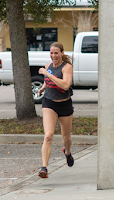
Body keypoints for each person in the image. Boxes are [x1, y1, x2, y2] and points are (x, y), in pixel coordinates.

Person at [37, 42, 74, 178]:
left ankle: (68, 152)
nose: (53, 56)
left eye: (56, 53)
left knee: (66, 138)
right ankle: (44, 168)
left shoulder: (67, 67)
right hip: (49, 103)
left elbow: (65, 85)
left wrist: (48, 74)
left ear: (62, 53)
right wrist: (43, 87)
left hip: (64, 105)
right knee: (48, 136)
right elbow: (48, 80)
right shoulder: (49, 66)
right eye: (51, 53)